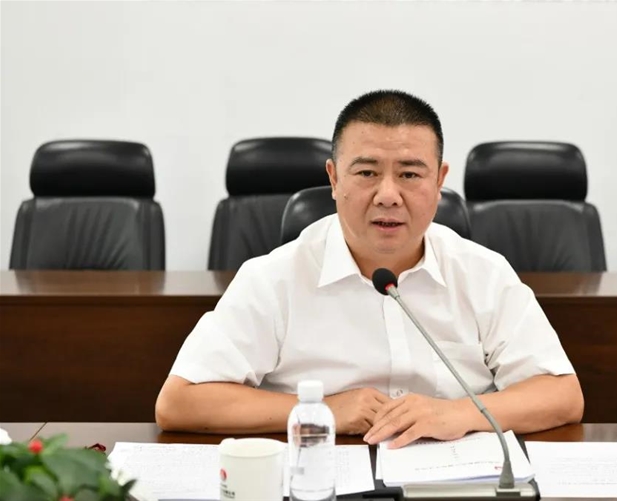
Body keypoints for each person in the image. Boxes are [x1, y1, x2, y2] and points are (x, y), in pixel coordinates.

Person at [155, 90, 583, 448]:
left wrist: (459, 413)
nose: (388, 195)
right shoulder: (274, 278)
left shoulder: (483, 273)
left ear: (439, 182)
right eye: (366, 172)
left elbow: (563, 395)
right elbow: (179, 402)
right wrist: (322, 410)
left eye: (410, 174)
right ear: (334, 179)